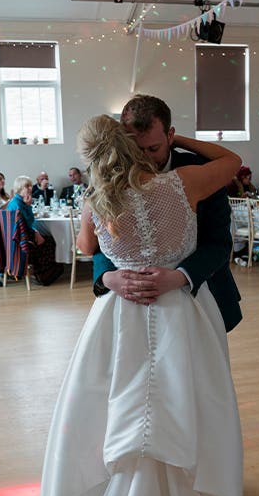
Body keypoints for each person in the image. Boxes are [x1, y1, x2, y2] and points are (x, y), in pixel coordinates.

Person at [12, 115, 244, 496]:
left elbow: (96, 243)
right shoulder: (188, 182)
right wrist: (111, 275)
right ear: (132, 141)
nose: (153, 149)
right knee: (163, 409)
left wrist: (159, 273)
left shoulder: (98, 194)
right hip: (152, 310)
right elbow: (99, 260)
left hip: (152, 308)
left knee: (139, 408)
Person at [92, 94, 242, 332]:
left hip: (197, 296)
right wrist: (106, 277)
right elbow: (101, 245)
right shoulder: (114, 177)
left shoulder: (199, 172)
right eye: (135, 148)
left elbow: (219, 242)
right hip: (130, 304)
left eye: (153, 148)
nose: (143, 158)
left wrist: (181, 276)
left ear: (170, 135)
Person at [7, 176, 63, 285]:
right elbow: (27, 222)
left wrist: (34, 231)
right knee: (50, 242)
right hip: (20, 240)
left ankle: (41, 271)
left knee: (48, 239)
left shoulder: (18, 201)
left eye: (30, 186)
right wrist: (28, 206)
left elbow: (28, 223)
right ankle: (42, 274)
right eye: (26, 186)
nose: (30, 188)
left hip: (19, 236)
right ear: (20, 188)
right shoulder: (18, 204)